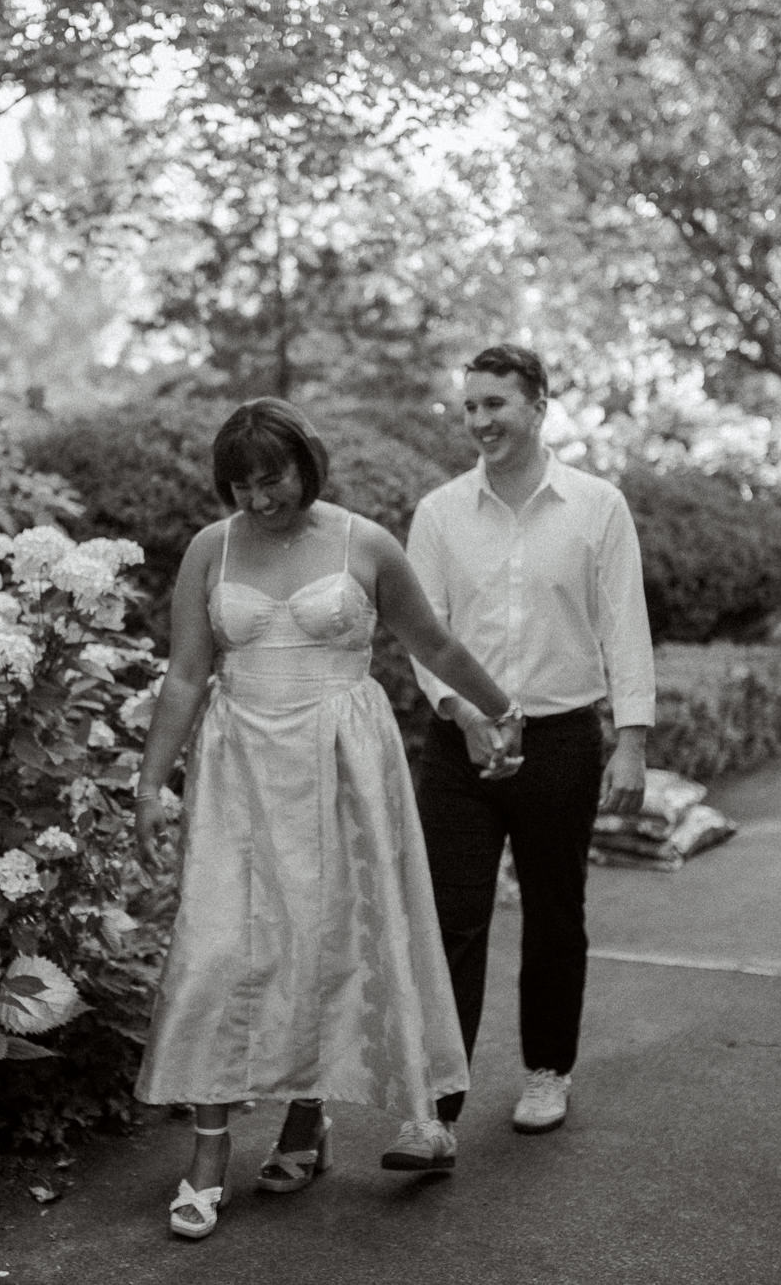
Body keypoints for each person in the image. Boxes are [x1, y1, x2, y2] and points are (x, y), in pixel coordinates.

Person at [132, 398, 522, 1239]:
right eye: (240, 483)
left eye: (272, 477)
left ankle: (306, 1120)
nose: (258, 498)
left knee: (327, 938)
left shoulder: (366, 543)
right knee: (220, 950)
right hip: (239, 764)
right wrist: (149, 784)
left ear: (308, 462)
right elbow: (185, 676)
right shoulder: (213, 547)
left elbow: (439, 646)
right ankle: (207, 1154)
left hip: (343, 759)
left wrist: (501, 709)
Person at [386, 343, 655, 1171]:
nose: (479, 421)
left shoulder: (596, 506)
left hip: (560, 738)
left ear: (538, 405)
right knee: (451, 921)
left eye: (494, 403)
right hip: (459, 741)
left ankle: (547, 1071)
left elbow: (623, 621)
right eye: (469, 406)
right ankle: (437, 1108)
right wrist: (461, 713)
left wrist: (633, 742)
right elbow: (420, 633)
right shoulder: (438, 513)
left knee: (553, 912)